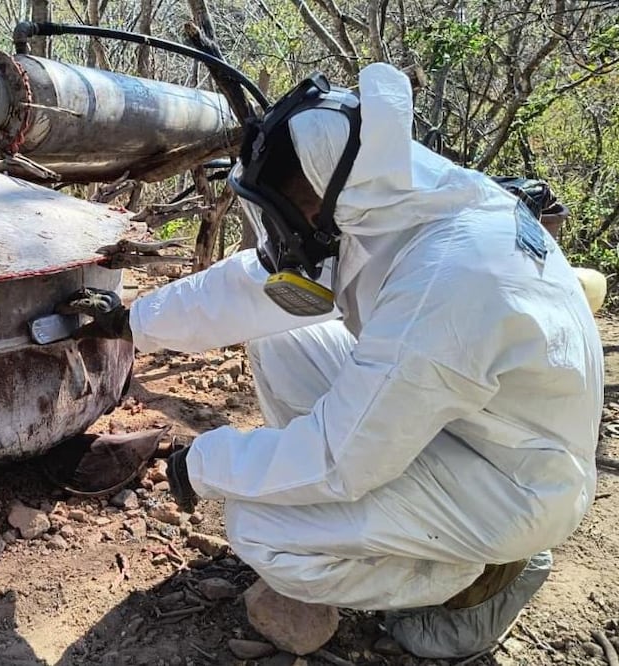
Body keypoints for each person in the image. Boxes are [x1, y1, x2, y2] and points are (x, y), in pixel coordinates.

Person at [58, 63, 603, 657]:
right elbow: (257, 286)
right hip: (465, 428)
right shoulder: (394, 201)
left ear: (323, 200)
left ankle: (473, 575)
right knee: (281, 336)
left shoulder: (448, 279)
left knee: (258, 527)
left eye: (288, 208)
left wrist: (205, 464)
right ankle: (368, 525)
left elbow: (340, 459)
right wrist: (133, 322)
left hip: (510, 488)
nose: (281, 228)